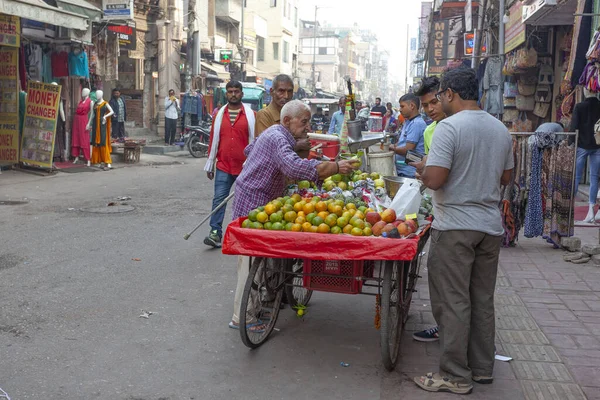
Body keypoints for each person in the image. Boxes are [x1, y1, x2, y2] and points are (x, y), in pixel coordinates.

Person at [411, 67, 513, 394]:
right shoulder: (500, 129)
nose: (439, 101)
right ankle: (482, 370)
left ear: (451, 94)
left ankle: (455, 374)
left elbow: (437, 180)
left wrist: (424, 172)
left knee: (453, 302)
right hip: (489, 227)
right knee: (481, 300)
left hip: (455, 226)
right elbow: (507, 178)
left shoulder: (449, 128)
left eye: (441, 96)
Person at [229, 100, 359, 330]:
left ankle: (260, 305)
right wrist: (336, 167)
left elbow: (251, 150)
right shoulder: (278, 138)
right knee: (249, 263)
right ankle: (243, 318)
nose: (307, 127)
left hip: (262, 199)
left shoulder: (276, 133)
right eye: (304, 122)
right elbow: (293, 168)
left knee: (260, 261)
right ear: (287, 120)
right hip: (254, 200)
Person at [409, 76, 447, 343]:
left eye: (434, 102)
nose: (431, 109)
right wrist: (422, 165)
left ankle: (454, 333)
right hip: (439, 204)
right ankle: (445, 326)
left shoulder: (459, 126)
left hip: (459, 211)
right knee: (440, 275)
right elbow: (431, 164)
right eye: (426, 105)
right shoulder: (429, 131)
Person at [203, 81, 256, 248]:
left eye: (236, 91)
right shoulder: (219, 115)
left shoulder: (252, 115)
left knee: (245, 201)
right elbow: (213, 140)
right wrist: (210, 164)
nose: (233, 94)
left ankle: (243, 233)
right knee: (219, 199)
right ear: (226, 94)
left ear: (242, 93)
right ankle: (215, 233)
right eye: (230, 91)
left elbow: (257, 142)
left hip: (245, 167)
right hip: (223, 166)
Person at [255, 74, 311, 156]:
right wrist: (296, 145)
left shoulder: (294, 115)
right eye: (281, 91)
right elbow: (267, 149)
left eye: (290, 91)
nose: (286, 96)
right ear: (271, 92)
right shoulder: (264, 115)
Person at [571, 88, 600, 222]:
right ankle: (591, 211)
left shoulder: (579, 107)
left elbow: (574, 126)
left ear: (584, 92)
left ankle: (571, 208)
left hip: (582, 144)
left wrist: (571, 143)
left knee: (576, 176)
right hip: (597, 145)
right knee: (594, 178)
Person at [389, 93, 426, 177]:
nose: (400, 110)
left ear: (412, 106)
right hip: (402, 170)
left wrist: (391, 148)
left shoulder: (417, 123)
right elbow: (402, 143)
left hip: (410, 173)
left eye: (402, 106)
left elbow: (408, 150)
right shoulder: (408, 121)